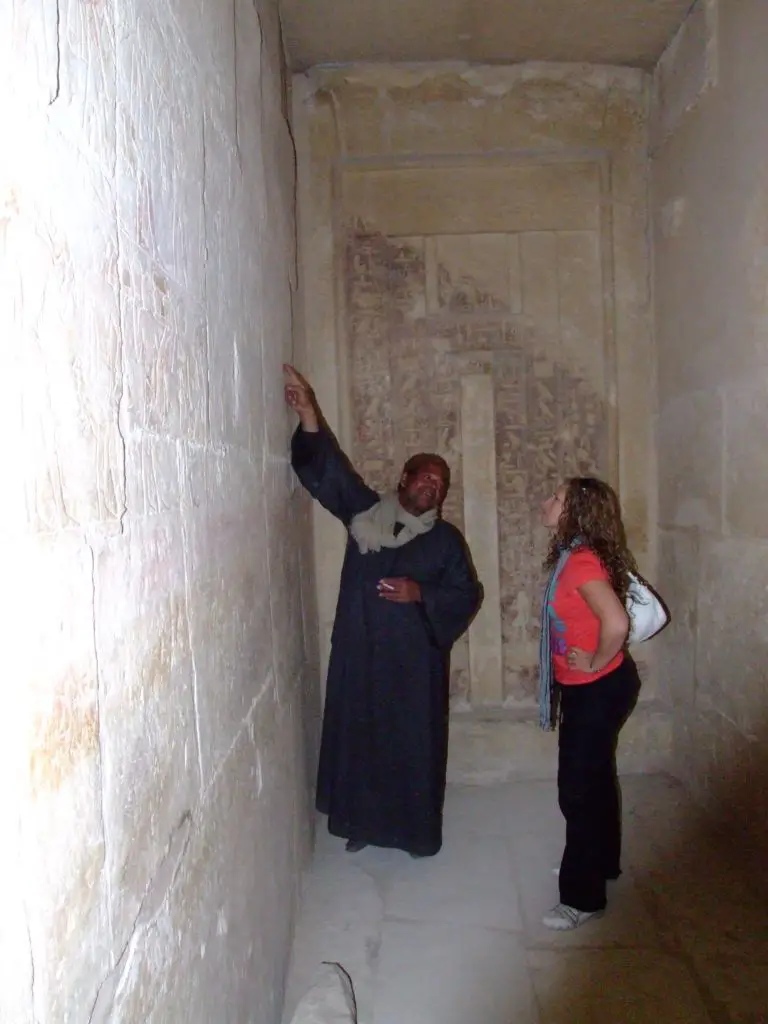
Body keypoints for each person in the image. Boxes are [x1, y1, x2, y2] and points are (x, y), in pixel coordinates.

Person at [284, 364, 480, 858]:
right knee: (362, 740)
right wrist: (310, 414)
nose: (433, 486)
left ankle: (415, 833)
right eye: (426, 477)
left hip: (414, 668)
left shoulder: (446, 542)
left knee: (412, 747)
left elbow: (466, 594)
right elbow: (330, 474)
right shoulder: (366, 513)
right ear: (405, 479)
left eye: (442, 482)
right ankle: (361, 824)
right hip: (363, 655)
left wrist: (423, 595)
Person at [538, 477, 642, 930]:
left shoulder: (579, 562)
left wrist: (595, 659)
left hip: (597, 688)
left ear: (575, 511)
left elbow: (615, 623)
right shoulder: (574, 555)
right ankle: (601, 863)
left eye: (557, 498)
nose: (547, 501)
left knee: (577, 790)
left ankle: (582, 898)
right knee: (596, 780)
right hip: (597, 686)